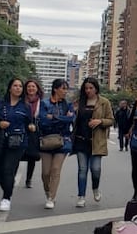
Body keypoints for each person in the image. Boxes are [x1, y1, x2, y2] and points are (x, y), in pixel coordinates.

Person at [0, 78, 31, 212]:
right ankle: (6, 188)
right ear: (10, 88)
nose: (18, 88)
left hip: (17, 143)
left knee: (8, 169)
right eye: (15, 85)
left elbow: (30, 122)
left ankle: (6, 198)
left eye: (20, 86)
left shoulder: (25, 106)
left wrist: (31, 126)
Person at [71, 77, 113, 208]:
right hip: (81, 140)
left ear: (96, 89)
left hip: (97, 142)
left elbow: (111, 120)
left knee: (95, 169)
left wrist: (100, 121)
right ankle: (81, 196)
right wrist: (72, 112)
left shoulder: (104, 102)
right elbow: (72, 120)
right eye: (86, 88)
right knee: (82, 169)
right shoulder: (79, 102)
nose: (88, 90)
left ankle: (95, 188)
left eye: (91, 88)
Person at [38, 79, 75, 209]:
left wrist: (53, 117)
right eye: (63, 88)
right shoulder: (44, 103)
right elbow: (43, 120)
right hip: (46, 140)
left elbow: (71, 119)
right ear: (55, 89)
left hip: (63, 141)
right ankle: (48, 191)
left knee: (55, 170)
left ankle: (51, 197)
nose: (65, 92)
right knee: (45, 173)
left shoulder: (68, 105)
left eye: (66, 89)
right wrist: (62, 119)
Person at [21, 78, 43, 189]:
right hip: (22, 128)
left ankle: (28, 179)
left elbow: (43, 116)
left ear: (37, 89)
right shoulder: (21, 100)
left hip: (35, 130)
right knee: (17, 153)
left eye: (33, 86)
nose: (31, 88)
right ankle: (11, 176)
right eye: (29, 86)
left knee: (32, 156)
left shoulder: (41, 102)